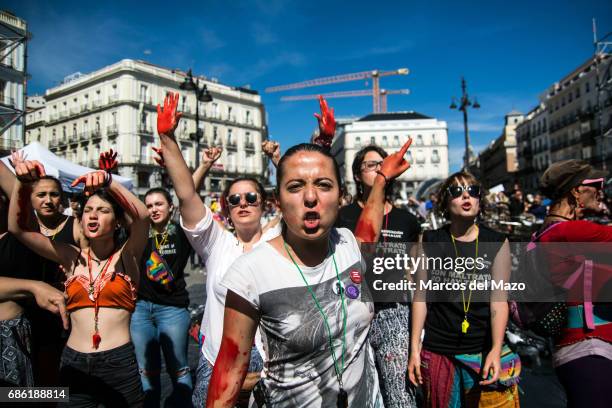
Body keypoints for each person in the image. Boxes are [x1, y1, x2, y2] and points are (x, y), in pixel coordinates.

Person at [206, 137, 413, 407]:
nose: (311, 197)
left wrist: (382, 178)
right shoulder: (250, 273)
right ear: (277, 202)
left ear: (340, 197)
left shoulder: (349, 245)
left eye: (324, 185)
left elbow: (369, 225)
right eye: (295, 187)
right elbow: (228, 376)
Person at [155, 93, 280, 407]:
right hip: (217, 360)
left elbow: (302, 200)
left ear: (264, 203)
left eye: (251, 197)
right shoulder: (216, 241)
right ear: (226, 207)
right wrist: (168, 140)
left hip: (272, 363)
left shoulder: (279, 236)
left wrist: (279, 162)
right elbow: (186, 194)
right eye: (235, 200)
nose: (243, 204)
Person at [8, 152, 149, 407]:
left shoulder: (127, 256)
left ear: (117, 222)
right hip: (73, 363)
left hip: (119, 364)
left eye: (103, 210)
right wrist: (21, 183)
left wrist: (108, 181)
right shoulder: (70, 257)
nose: (93, 216)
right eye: (88, 211)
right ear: (80, 219)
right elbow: (18, 229)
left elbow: (142, 217)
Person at [408, 171, 521, 407]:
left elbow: (499, 301)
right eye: (457, 192)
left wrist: (495, 349)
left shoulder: (497, 242)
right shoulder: (428, 240)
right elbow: (420, 297)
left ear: (480, 200)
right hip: (439, 350)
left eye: (473, 191)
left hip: (481, 348)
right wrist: (414, 349)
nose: (466, 196)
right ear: (445, 202)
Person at [335, 144, 420, 408]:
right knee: (356, 396)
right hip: (352, 312)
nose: (380, 168)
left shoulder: (407, 219)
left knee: (400, 395)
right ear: (357, 175)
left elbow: (418, 275)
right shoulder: (342, 217)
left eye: (383, 163)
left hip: (393, 312)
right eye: (371, 165)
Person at [536, 160, 612, 408]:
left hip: (575, 348)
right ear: (576, 190)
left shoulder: (548, 230)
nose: (601, 190)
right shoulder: (573, 232)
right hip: (590, 348)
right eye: (596, 184)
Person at [130, 186, 195, 407]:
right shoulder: (139, 232)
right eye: (149, 205)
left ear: (170, 206)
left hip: (173, 309)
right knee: (146, 371)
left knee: (179, 369)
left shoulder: (182, 232)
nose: (154, 209)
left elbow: (189, 196)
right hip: (140, 309)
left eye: (159, 204)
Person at [0, 184, 69, 387]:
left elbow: (20, 191)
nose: (48, 199)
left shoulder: (22, 234)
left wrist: (22, 179)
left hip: (22, 334)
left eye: (53, 194)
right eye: (43, 194)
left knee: (44, 394)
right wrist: (33, 286)